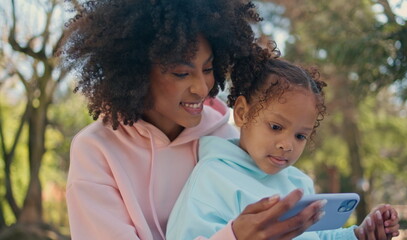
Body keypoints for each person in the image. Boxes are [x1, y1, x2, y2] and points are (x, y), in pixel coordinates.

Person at [59, 0, 327, 239]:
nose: (202, 88)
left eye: (208, 69)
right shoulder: (96, 150)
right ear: (136, 72)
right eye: (180, 73)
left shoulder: (229, 141)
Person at [166, 51, 400, 240]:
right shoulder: (214, 176)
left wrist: (358, 235)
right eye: (276, 127)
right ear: (241, 113)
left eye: (300, 136)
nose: (287, 145)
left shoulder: (299, 184)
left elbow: (317, 237)